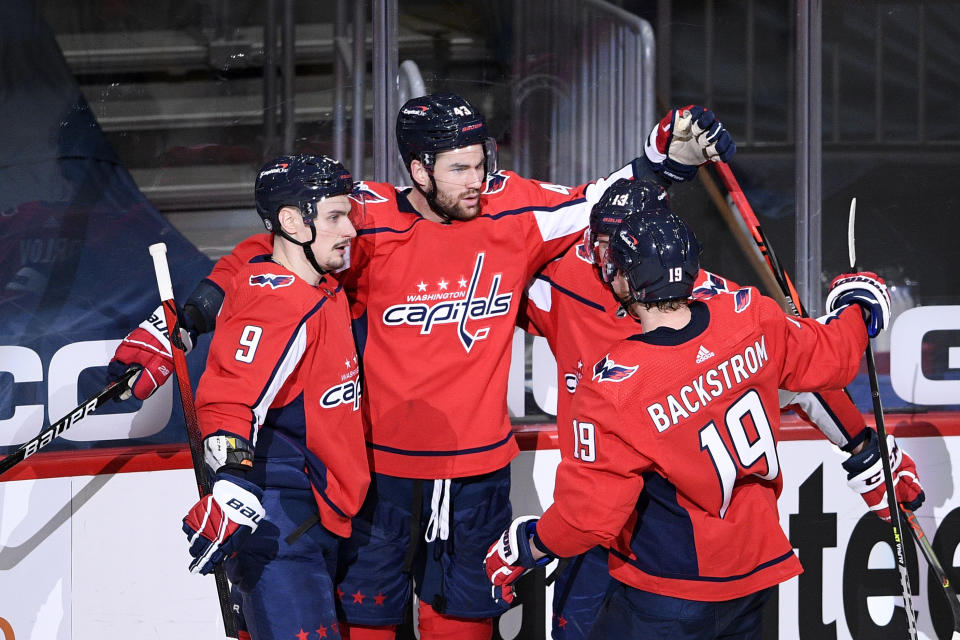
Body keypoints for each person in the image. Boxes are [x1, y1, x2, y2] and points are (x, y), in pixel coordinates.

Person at [109, 97, 735, 639]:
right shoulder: (366, 219)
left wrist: (667, 163)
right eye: (459, 168)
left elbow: (597, 204)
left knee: (466, 619)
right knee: (365, 622)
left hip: (478, 477)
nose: (476, 179)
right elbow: (263, 250)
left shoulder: (513, 208)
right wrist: (187, 320)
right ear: (417, 169)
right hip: (382, 477)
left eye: (480, 163)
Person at [487, 189, 925, 639]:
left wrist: (529, 546)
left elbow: (589, 514)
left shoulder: (615, 383)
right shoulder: (745, 312)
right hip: (744, 567)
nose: (593, 256)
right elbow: (823, 355)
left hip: (656, 561)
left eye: (605, 246)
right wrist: (858, 310)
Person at [180, 154, 369, 640]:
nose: (350, 229)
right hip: (281, 522)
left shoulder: (322, 283)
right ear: (291, 221)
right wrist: (231, 482)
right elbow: (227, 399)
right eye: (335, 217)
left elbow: (249, 253)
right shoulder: (278, 301)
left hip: (323, 511)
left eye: (348, 214)